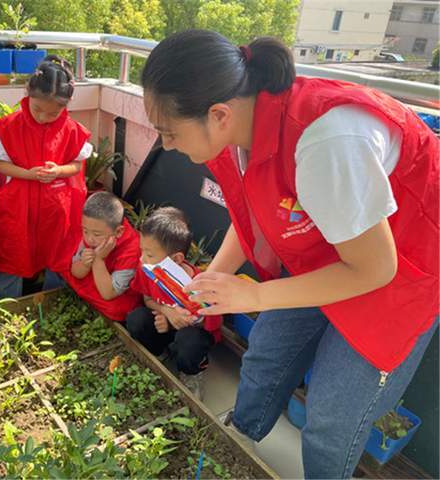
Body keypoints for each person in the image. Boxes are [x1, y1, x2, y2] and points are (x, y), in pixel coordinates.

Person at [140, 29, 439, 478]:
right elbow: (255, 215)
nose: (165, 145)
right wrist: (207, 284)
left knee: (329, 416)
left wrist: (255, 297)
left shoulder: (325, 140)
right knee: (265, 355)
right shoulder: (239, 126)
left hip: (399, 268)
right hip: (331, 248)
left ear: (218, 114)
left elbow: (375, 268)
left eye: (168, 132)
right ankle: (238, 446)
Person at [0, 55, 92, 299]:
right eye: (37, 109)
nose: (43, 117)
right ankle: (6, 306)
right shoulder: (10, 127)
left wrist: (58, 171)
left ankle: (54, 302)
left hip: (57, 209)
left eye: (53, 113)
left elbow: (77, 164)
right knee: (13, 253)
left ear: (66, 106)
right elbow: (0, 163)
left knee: (58, 254)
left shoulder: (72, 131)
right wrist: (28, 174)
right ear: (27, 94)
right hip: (18, 206)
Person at [127, 207, 222, 398]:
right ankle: (160, 353)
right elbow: (147, 299)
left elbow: (209, 325)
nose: (142, 259)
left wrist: (181, 319)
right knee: (136, 319)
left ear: (177, 259)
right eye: (142, 251)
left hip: (191, 333)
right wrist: (165, 311)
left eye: (150, 255)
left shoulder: (200, 284)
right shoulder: (147, 268)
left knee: (190, 343)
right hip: (163, 326)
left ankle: (192, 372)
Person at [62, 191, 141, 321]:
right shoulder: (94, 230)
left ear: (119, 231)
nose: (89, 239)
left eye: (97, 234)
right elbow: (75, 272)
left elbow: (108, 293)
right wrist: (84, 264)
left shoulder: (132, 250)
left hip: (113, 291)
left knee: (115, 308)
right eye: (85, 231)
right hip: (99, 279)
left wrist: (98, 260)